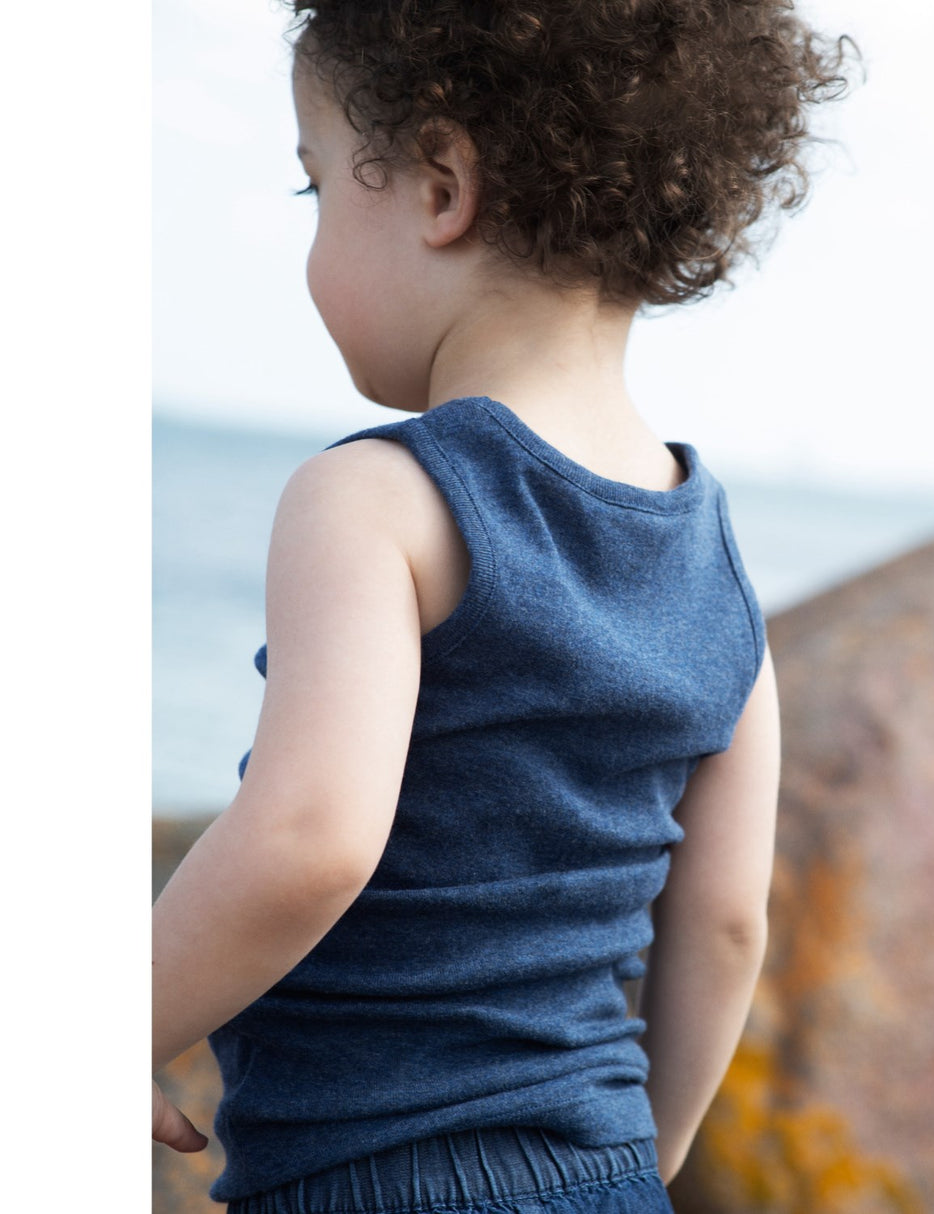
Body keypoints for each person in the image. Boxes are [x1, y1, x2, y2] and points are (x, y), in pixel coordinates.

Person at [152, 2, 854, 1210]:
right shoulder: (713, 556)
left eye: (313, 188)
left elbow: (310, 836)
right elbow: (728, 919)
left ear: (438, 186)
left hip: (370, 1182)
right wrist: (642, 1158)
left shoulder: (373, 497)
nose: (310, 238)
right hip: (604, 1165)